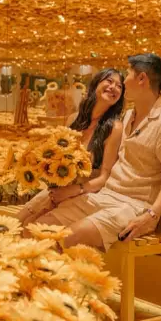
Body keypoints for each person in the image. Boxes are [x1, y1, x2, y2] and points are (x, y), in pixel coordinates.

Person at [32, 53, 161, 250]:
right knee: (39, 228)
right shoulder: (129, 116)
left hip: (133, 207)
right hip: (104, 196)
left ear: (142, 79)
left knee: (63, 239)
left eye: (127, 75)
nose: (124, 82)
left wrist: (151, 215)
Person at [18, 68, 125, 225]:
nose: (113, 87)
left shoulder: (114, 128)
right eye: (109, 81)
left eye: (119, 86)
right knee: (20, 220)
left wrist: (73, 190)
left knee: (36, 227)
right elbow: (57, 156)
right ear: (96, 84)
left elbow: (104, 177)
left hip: (88, 193)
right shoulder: (73, 119)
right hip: (61, 187)